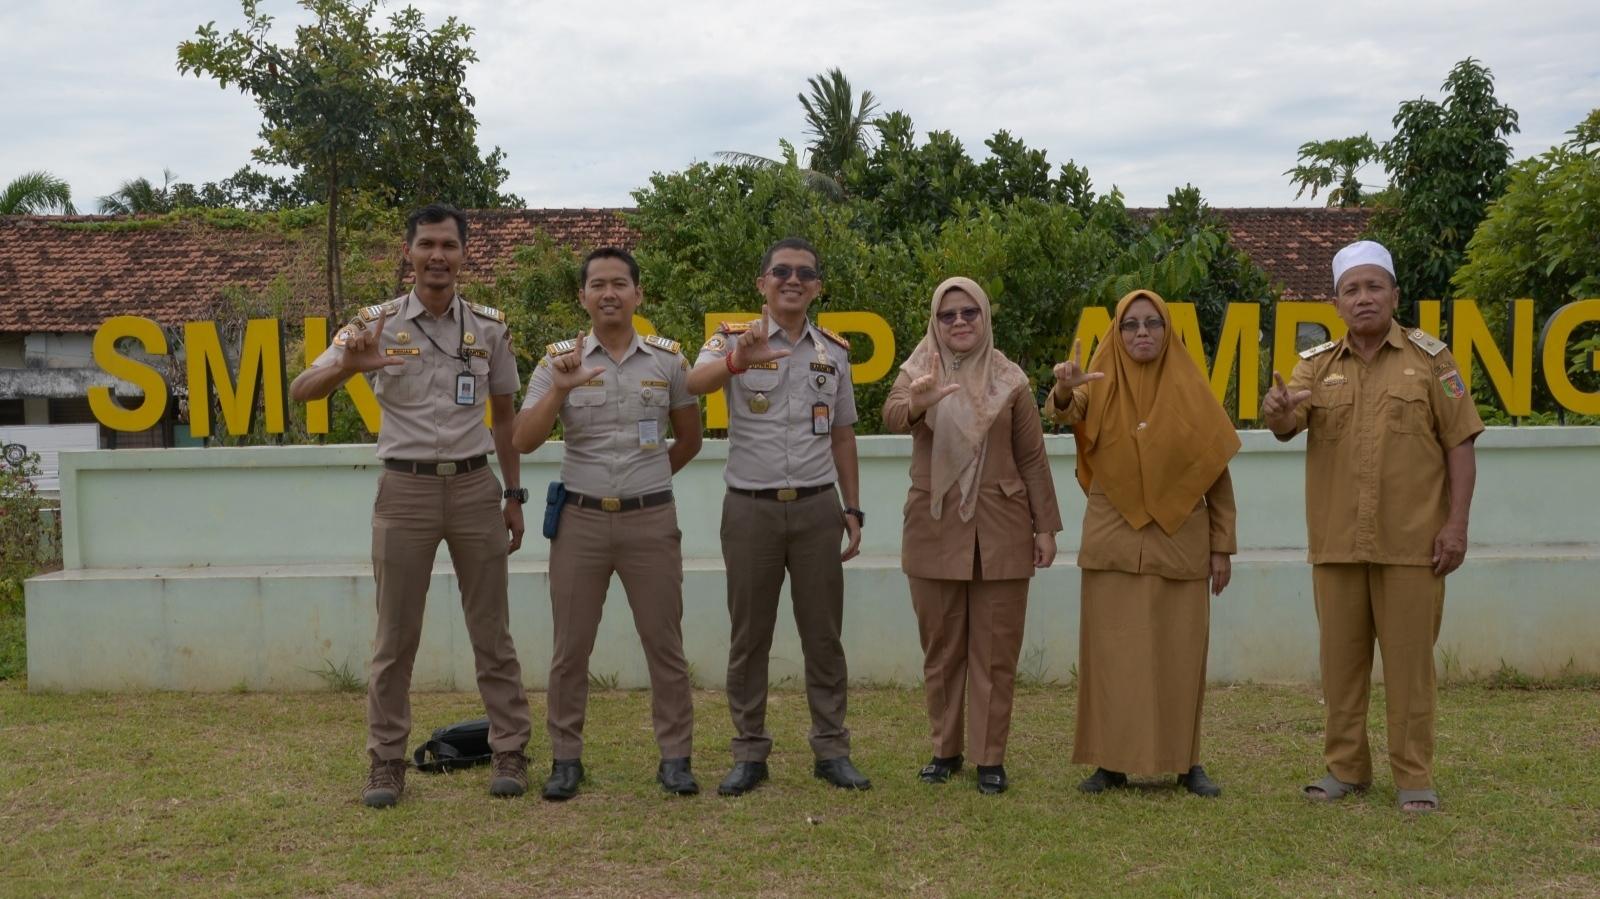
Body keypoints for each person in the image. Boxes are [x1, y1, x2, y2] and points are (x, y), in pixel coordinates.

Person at [290, 203, 533, 808]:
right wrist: (347, 365)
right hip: (405, 490)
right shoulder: (370, 326)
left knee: (492, 632)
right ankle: (386, 761)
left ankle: (508, 747)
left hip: (477, 488)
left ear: (464, 254)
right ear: (408, 252)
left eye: (449, 245)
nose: (438, 256)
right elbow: (301, 390)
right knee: (395, 637)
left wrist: (513, 494)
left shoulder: (490, 329)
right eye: (426, 244)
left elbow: (504, 420)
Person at [1262, 240, 1482, 813]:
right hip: (1337, 544)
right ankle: (1345, 770)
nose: (1363, 298)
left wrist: (1456, 525)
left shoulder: (1433, 360)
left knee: (1411, 670)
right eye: (1351, 290)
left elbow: (1460, 444)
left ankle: (1413, 777)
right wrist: (1280, 411)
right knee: (1341, 668)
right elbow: (1286, 422)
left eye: (1373, 286)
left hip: (1413, 544)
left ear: (1394, 295)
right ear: (1336, 303)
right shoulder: (1316, 366)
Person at [512, 246, 703, 800]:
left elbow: (689, 440)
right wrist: (562, 391)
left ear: (639, 295)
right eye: (598, 284)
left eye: (621, 283)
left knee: (664, 645)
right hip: (581, 522)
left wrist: (646, 481)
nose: (610, 293)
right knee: (570, 648)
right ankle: (566, 760)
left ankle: (675, 759)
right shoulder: (557, 362)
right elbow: (523, 439)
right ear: (583, 296)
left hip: (650, 522)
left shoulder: (669, 361)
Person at [685, 236, 870, 796]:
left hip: (817, 508)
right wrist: (739, 358)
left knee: (823, 636)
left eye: (805, 274)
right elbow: (693, 384)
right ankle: (749, 753)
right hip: (750, 509)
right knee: (749, 638)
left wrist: (852, 507)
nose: (793, 280)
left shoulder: (833, 351)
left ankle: (831, 749)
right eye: (782, 271)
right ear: (761, 282)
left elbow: (842, 434)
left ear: (817, 287)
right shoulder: (731, 339)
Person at [1046, 289, 1238, 798]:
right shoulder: (1097, 380)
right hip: (1113, 539)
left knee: (1180, 653)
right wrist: (1064, 390)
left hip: (1180, 541)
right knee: (1111, 655)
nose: (1142, 333)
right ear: (1117, 331)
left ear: (1168, 329)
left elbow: (1215, 471)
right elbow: (1067, 409)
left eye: (1152, 323)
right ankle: (1110, 764)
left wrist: (1222, 545)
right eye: (1130, 325)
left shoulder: (1192, 388)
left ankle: (1185, 761)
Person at [882, 277, 1060, 796]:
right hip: (934, 525)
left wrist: (1045, 527)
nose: (959, 322)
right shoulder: (918, 370)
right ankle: (945, 750)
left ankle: (989, 758)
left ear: (984, 317)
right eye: (948, 315)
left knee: (995, 650)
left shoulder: (1011, 380)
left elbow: (1032, 457)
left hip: (1002, 528)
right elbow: (893, 416)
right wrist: (920, 402)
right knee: (941, 648)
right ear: (935, 322)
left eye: (969, 313)